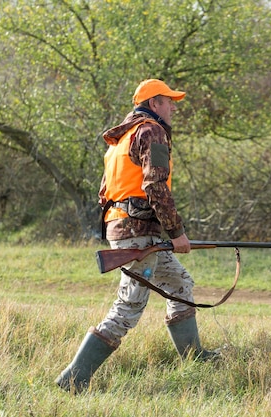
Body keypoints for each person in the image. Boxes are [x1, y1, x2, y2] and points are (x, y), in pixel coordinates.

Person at [55, 79, 217, 394]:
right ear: (154, 103)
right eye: (169, 101)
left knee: (180, 284)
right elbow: (155, 187)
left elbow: (105, 194)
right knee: (129, 306)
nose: (173, 107)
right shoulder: (151, 131)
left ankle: (194, 359)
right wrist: (177, 232)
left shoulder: (120, 140)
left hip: (129, 231)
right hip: (140, 235)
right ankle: (74, 380)